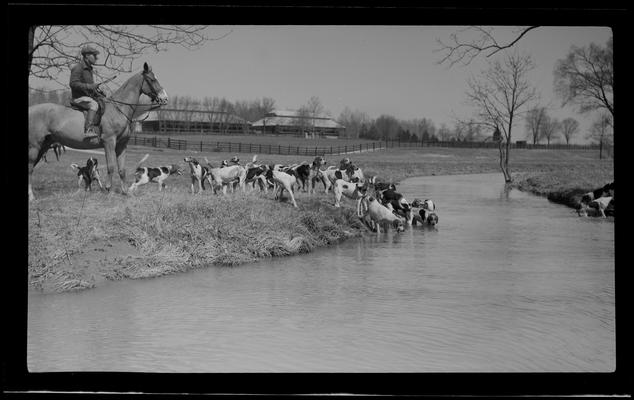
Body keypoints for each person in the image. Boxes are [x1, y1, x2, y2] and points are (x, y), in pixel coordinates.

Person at [70, 45, 103, 138]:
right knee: (94, 105)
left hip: (86, 97)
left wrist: (98, 93)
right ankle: (88, 129)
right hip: (78, 98)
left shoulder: (89, 69)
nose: (96, 58)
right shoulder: (78, 68)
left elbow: (89, 89)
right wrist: (90, 86)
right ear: (87, 56)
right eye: (94, 55)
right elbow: (73, 84)